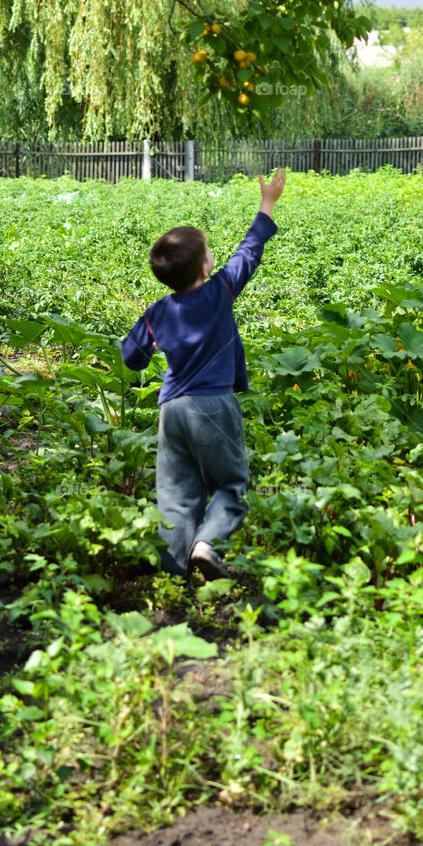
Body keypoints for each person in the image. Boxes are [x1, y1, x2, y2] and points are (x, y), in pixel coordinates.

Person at [120, 169, 286, 579]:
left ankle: (172, 569)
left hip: (172, 411)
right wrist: (267, 203)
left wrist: (151, 347)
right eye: (209, 251)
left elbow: (131, 356)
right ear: (204, 269)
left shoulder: (158, 311)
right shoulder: (220, 291)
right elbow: (248, 252)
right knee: (230, 484)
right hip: (213, 405)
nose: (213, 255)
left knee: (176, 494)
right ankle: (206, 544)